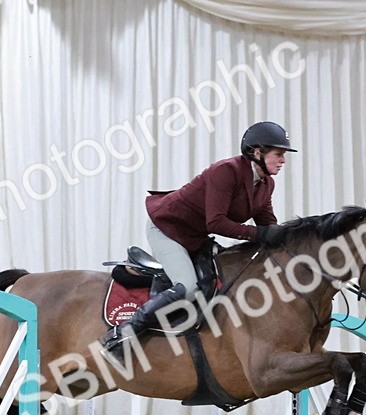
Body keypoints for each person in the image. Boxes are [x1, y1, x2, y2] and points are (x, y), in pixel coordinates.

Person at [100, 121, 296, 361]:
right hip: (167, 228)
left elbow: (267, 224)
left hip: (195, 235)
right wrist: (259, 235)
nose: (283, 160)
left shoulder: (266, 184)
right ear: (257, 152)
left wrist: (290, 241)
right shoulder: (226, 171)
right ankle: (124, 333)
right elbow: (216, 222)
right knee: (188, 287)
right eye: (279, 154)